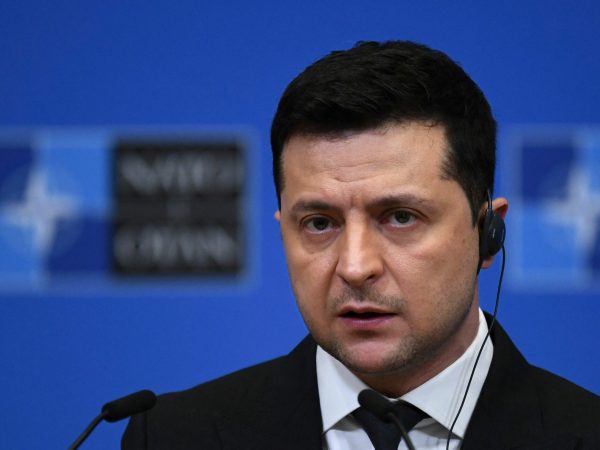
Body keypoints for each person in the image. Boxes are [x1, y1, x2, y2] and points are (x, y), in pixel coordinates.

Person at [122, 40, 600, 449]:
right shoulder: (173, 437)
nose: (354, 267)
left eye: (401, 217)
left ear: (487, 233)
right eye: (319, 223)